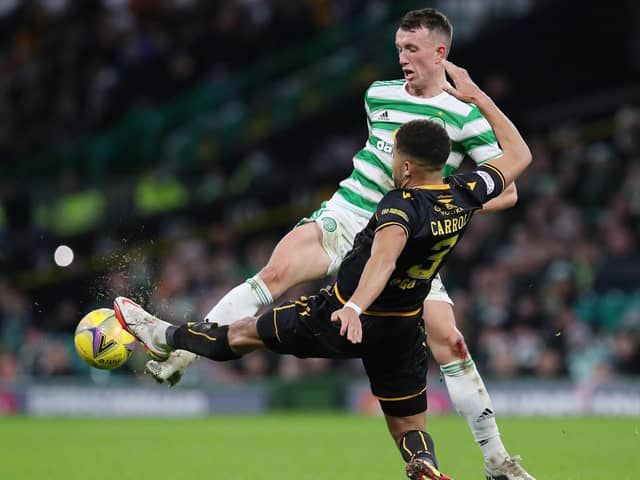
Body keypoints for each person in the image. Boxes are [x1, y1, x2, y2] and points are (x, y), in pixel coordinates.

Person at [147, 8, 534, 480]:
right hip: (350, 214)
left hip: (405, 233)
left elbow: (508, 189)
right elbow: (375, 161)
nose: (403, 58)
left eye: (412, 50)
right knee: (273, 274)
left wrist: (441, 208)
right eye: (398, 49)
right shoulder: (379, 95)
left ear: (441, 52)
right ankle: (183, 355)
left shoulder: (465, 115)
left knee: (451, 342)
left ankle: (498, 462)